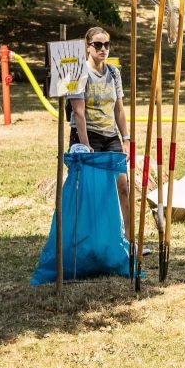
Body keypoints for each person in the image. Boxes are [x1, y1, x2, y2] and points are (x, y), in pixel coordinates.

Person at [68, 27, 129, 223]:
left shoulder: (114, 72)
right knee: (90, 191)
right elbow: (78, 112)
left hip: (111, 137)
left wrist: (125, 138)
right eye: (98, 45)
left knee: (123, 187)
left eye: (106, 45)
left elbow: (118, 109)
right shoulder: (78, 72)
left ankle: (129, 242)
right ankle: (89, 236)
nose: (103, 49)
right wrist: (86, 146)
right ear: (88, 47)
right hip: (88, 136)